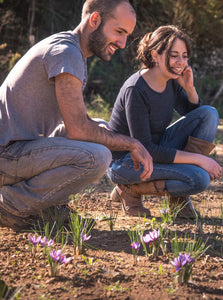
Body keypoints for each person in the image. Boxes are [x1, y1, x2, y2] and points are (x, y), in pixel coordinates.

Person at [0, 0, 153, 231]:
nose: (122, 43)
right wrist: (132, 143)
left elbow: (77, 124)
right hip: (6, 155)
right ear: (95, 20)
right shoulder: (66, 52)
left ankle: (50, 206)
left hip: (16, 151)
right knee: (96, 156)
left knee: (100, 128)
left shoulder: (73, 51)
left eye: (126, 35)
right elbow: (78, 129)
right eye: (119, 31)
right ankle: (10, 207)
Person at [108, 25, 222, 219]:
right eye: (174, 55)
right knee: (199, 178)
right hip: (127, 162)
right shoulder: (136, 90)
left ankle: (178, 198)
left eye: (185, 56)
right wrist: (199, 159)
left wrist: (189, 88)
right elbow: (146, 149)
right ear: (155, 55)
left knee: (209, 114)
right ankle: (129, 189)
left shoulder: (170, 81)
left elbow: (196, 118)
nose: (181, 62)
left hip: (155, 151)